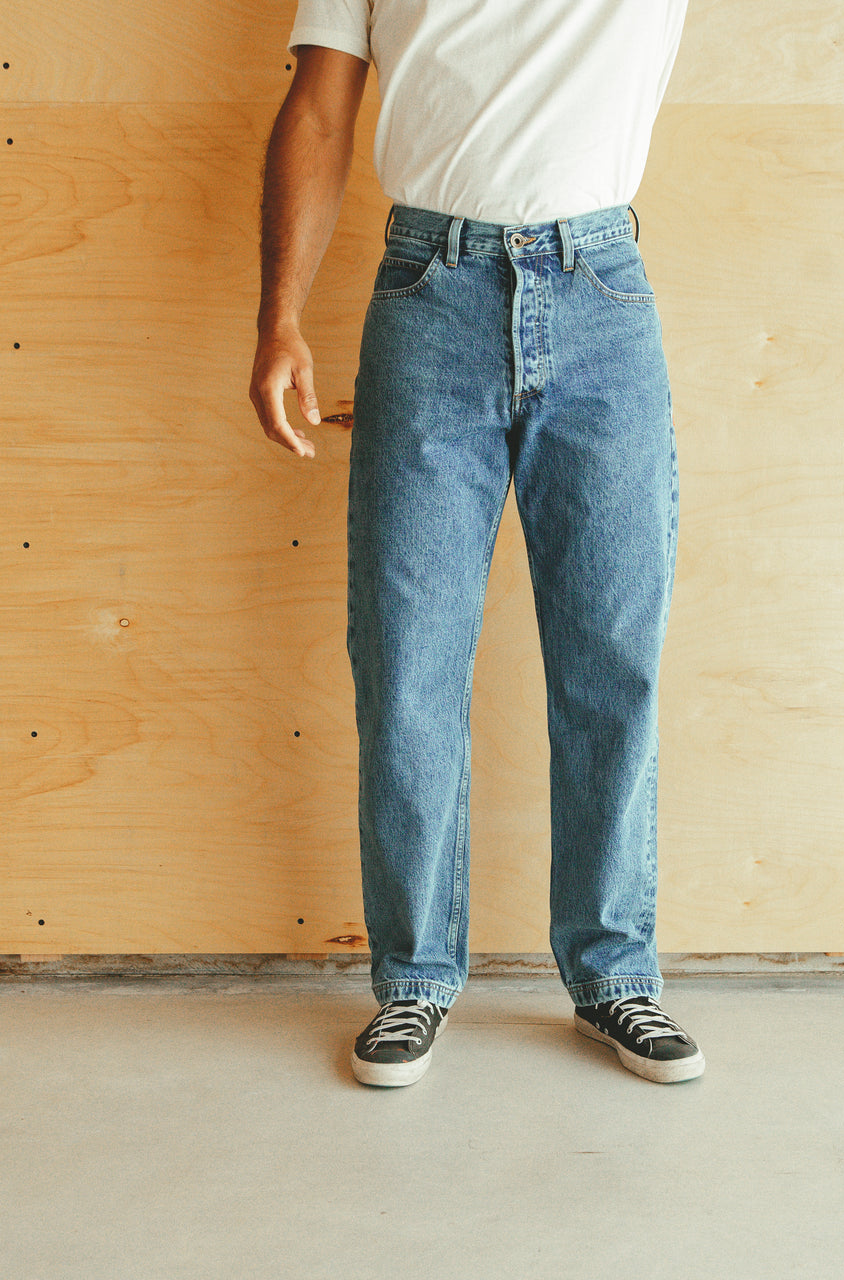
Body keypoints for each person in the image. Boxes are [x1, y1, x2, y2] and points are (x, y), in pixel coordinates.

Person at [249, 0, 705, 1088]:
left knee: (612, 660)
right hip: (428, 289)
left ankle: (614, 971)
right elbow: (318, 109)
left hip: (599, 285)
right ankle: (413, 977)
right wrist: (279, 316)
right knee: (405, 658)